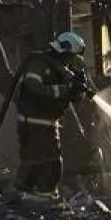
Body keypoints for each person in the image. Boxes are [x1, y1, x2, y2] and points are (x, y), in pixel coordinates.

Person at [13, 30, 97, 193]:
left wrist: (77, 89)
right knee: (35, 163)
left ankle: (47, 196)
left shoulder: (63, 71)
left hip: (51, 124)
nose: (73, 61)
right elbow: (33, 87)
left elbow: (74, 99)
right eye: (72, 56)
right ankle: (23, 197)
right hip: (32, 123)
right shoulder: (39, 64)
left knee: (54, 164)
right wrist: (64, 89)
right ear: (63, 51)